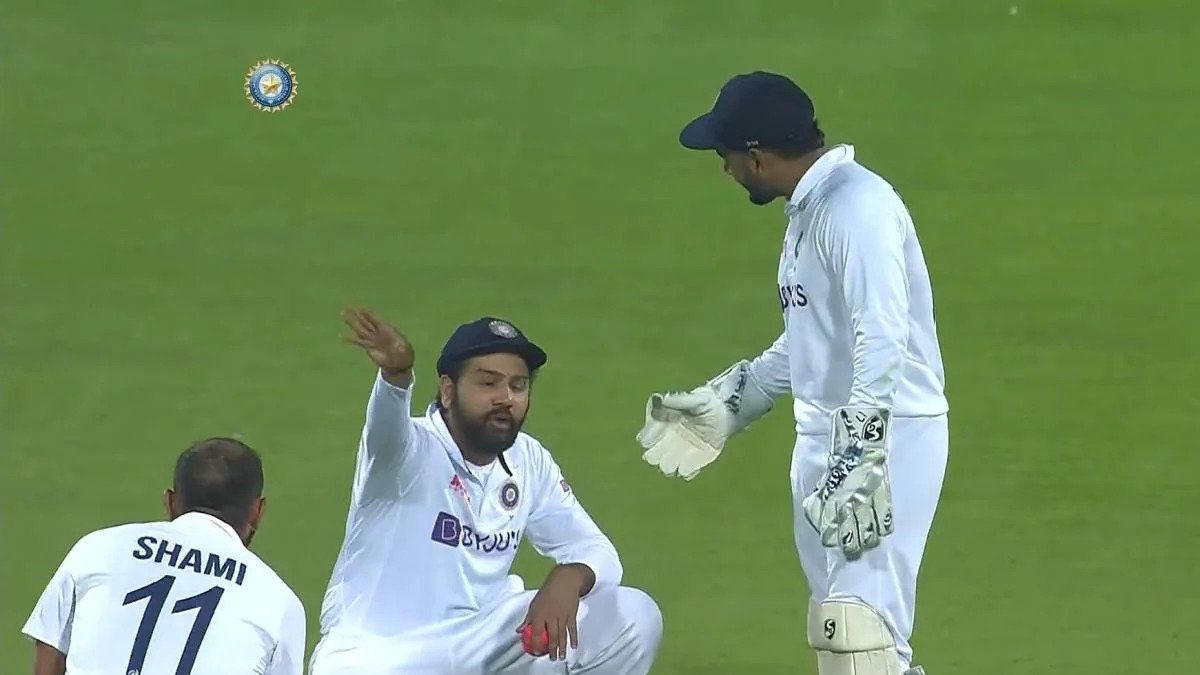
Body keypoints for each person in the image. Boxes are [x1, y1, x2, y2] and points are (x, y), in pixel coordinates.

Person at [637, 71, 948, 675]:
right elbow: (814, 335)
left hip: (887, 436)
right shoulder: (811, 210)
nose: (723, 169)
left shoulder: (857, 208)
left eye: (725, 156)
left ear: (755, 155)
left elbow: (883, 332)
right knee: (842, 629)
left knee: (861, 636)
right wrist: (740, 396)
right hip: (824, 439)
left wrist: (861, 448)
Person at [310, 308, 662, 674]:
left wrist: (571, 577)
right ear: (448, 391)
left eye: (518, 385)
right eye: (488, 382)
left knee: (634, 616)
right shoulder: (407, 450)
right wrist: (396, 378)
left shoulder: (528, 460)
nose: (505, 398)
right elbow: (385, 431)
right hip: (379, 656)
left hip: (479, 645)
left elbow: (598, 550)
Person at [22, 438, 306, 675]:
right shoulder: (278, 601)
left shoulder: (97, 549)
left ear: (170, 501)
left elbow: (50, 655)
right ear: (258, 511)